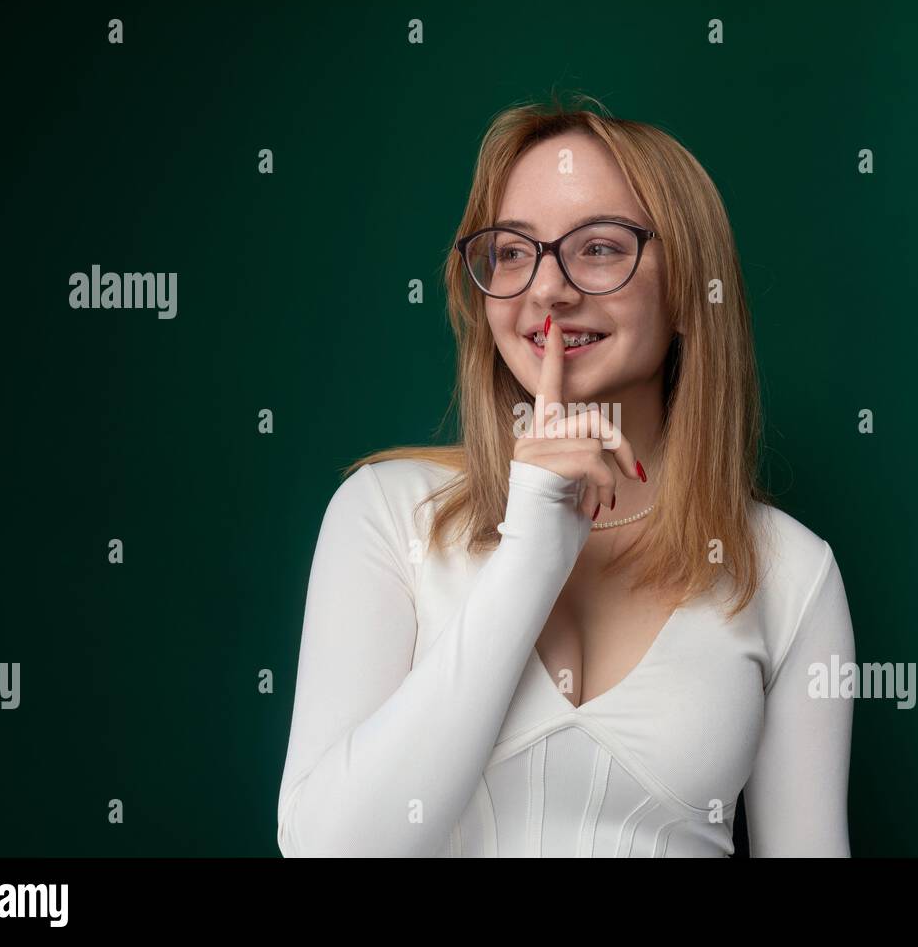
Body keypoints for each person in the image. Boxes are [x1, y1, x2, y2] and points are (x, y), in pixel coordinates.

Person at [276, 94, 856, 857]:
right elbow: (329, 850)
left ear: (689, 289)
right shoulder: (386, 514)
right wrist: (529, 554)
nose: (547, 288)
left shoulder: (791, 573)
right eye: (514, 251)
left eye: (600, 247)